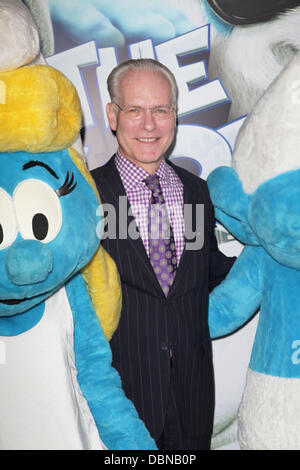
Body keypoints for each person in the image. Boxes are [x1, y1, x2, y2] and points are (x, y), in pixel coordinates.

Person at [91, 58, 235, 450]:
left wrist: (272, 263)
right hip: (121, 402)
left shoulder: (197, 192)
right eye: (135, 110)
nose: (149, 124)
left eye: (161, 110)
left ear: (175, 114)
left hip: (193, 397)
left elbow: (208, 272)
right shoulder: (88, 197)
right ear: (112, 115)